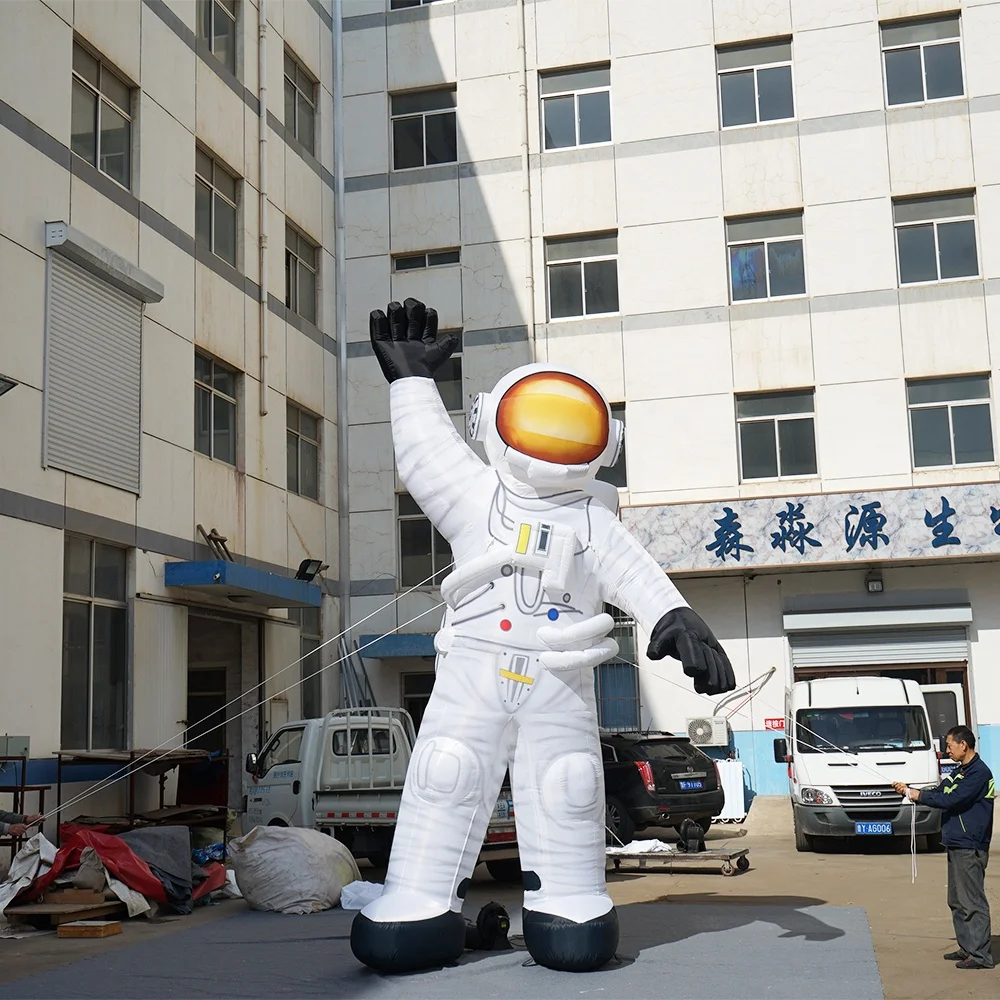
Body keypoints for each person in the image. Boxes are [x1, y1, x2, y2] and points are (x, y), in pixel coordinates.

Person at [350, 299, 736, 974]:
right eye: (536, 419)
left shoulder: (594, 523)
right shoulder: (476, 496)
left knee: (570, 785)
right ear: (490, 423)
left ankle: (569, 903)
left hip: (559, 679)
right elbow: (428, 456)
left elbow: (638, 576)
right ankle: (418, 900)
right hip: (474, 668)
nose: (553, 437)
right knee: (446, 776)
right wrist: (411, 384)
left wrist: (673, 616)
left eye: (572, 425)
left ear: (605, 444)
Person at [893, 725, 995, 970]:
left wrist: (917, 795)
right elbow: (939, 792)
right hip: (956, 842)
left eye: (949, 745)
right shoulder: (959, 771)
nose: (947, 750)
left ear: (964, 745)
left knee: (972, 901)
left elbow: (952, 799)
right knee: (956, 900)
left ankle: (981, 956)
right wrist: (910, 790)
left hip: (970, 844)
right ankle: (967, 947)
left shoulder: (979, 773)